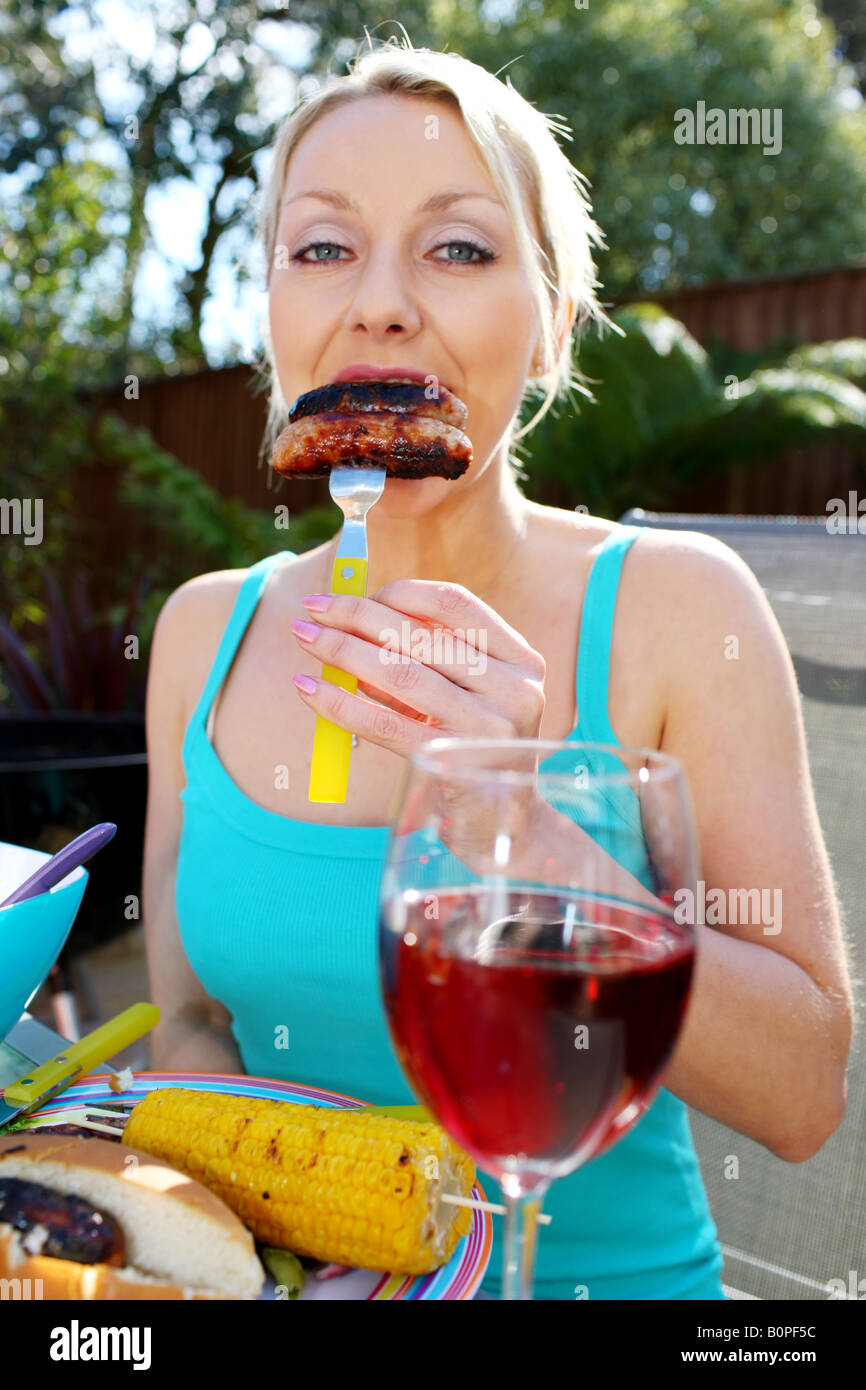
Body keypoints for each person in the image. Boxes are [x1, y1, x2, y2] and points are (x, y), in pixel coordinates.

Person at [142, 38, 852, 1299]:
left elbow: (801, 1095)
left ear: (551, 325)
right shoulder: (202, 630)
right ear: (274, 317)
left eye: (458, 248)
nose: (379, 302)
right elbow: (188, 1016)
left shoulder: (678, 609)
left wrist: (524, 827)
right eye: (320, 248)